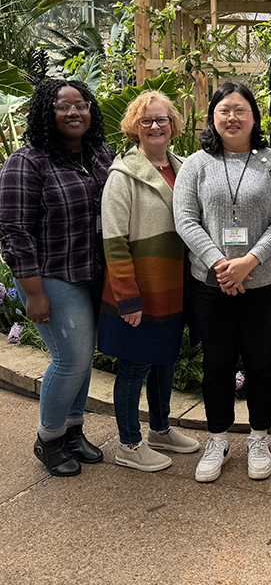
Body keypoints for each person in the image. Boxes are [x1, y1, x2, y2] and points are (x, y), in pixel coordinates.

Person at [174, 82, 271, 483]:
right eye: (224, 110)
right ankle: (218, 438)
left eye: (240, 110)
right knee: (217, 363)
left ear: (254, 118)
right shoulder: (196, 165)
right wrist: (219, 264)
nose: (232, 117)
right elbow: (186, 219)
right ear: (212, 116)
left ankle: (258, 437)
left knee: (261, 363)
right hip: (210, 285)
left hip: (264, 282)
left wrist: (248, 262)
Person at [0, 79, 114, 477]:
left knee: (84, 360)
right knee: (71, 359)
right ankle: (48, 439)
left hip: (93, 273)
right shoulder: (27, 161)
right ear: (47, 113)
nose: (73, 113)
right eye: (63, 107)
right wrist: (33, 293)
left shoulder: (100, 155)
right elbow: (13, 230)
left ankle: (73, 430)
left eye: (80, 105)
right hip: (50, 275)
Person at [98, 91, 199, 472]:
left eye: (162, 119)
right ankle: (128, 442)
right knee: (136, 365)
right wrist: (127, 297)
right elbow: (114, 240)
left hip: (175, 286)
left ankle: (159, 428)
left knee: (164, 360)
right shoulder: (123, 175)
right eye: (147, 121)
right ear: (134, 128)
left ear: (173, 125)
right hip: (141, 288)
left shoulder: (184, 167)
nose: (155, 126)